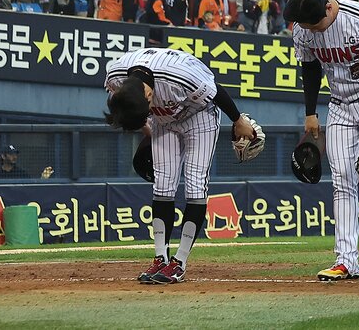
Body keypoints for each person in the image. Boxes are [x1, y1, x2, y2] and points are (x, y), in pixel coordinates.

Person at [103, 40, 257, 285]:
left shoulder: (178, 76)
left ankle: (179, 263)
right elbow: (120, 104)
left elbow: (216, 91)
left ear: (148, 94)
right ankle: (160, 259)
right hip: (164, 122)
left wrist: (238, 120)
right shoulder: (116, 75)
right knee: (162, 186)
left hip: (199, 116)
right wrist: (145, 125)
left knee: (195, 186)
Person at [285, 0, 359, 282]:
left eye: (314, 24)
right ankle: (346, 260)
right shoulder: (302, 28)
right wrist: (310, 112)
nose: (310, 30)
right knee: (341, 180)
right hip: (338, 104)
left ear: (328, 7)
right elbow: (310, 68)